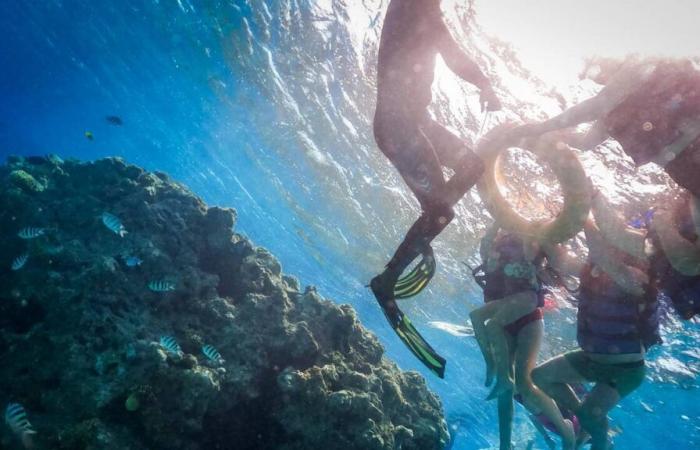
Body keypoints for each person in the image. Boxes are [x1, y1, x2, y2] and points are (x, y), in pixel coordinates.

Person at [371, 0, 502, 377]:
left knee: (471, 167)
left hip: (418, 122)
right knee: (442, 211)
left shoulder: (428, 10)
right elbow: (452, 53)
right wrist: (484, 83)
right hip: (398, 126)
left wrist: (484, 83)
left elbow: (447, 47)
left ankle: (426, 229)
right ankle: (386, 282)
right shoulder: (415, 5)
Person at [532, 216, 661, 450]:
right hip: (590, 359)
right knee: (540, 377)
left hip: (625, 370)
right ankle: (583, 418)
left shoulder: (640, 277)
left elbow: (605, 259)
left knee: (593, 417)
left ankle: (602, 443)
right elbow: (561, 261)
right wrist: (546, 232)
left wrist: (585, 217)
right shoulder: (594, 269)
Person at [513, 56, 700, 197]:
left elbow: (596, 106)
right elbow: (586, 143)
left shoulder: (642, 64)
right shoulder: (614, 113)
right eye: (593, 76)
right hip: (683, 166)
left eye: (596, 68)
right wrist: (557, 137)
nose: (599, 77)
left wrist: (541, 128)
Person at [469, 226, 576, 450]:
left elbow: (550, 253)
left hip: (529, 318)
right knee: (505, 387)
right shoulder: (490, 246)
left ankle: (566, 430)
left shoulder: (529, 239)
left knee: (525, 385)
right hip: (505, 318)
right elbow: (487, 249)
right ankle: (505, 446)